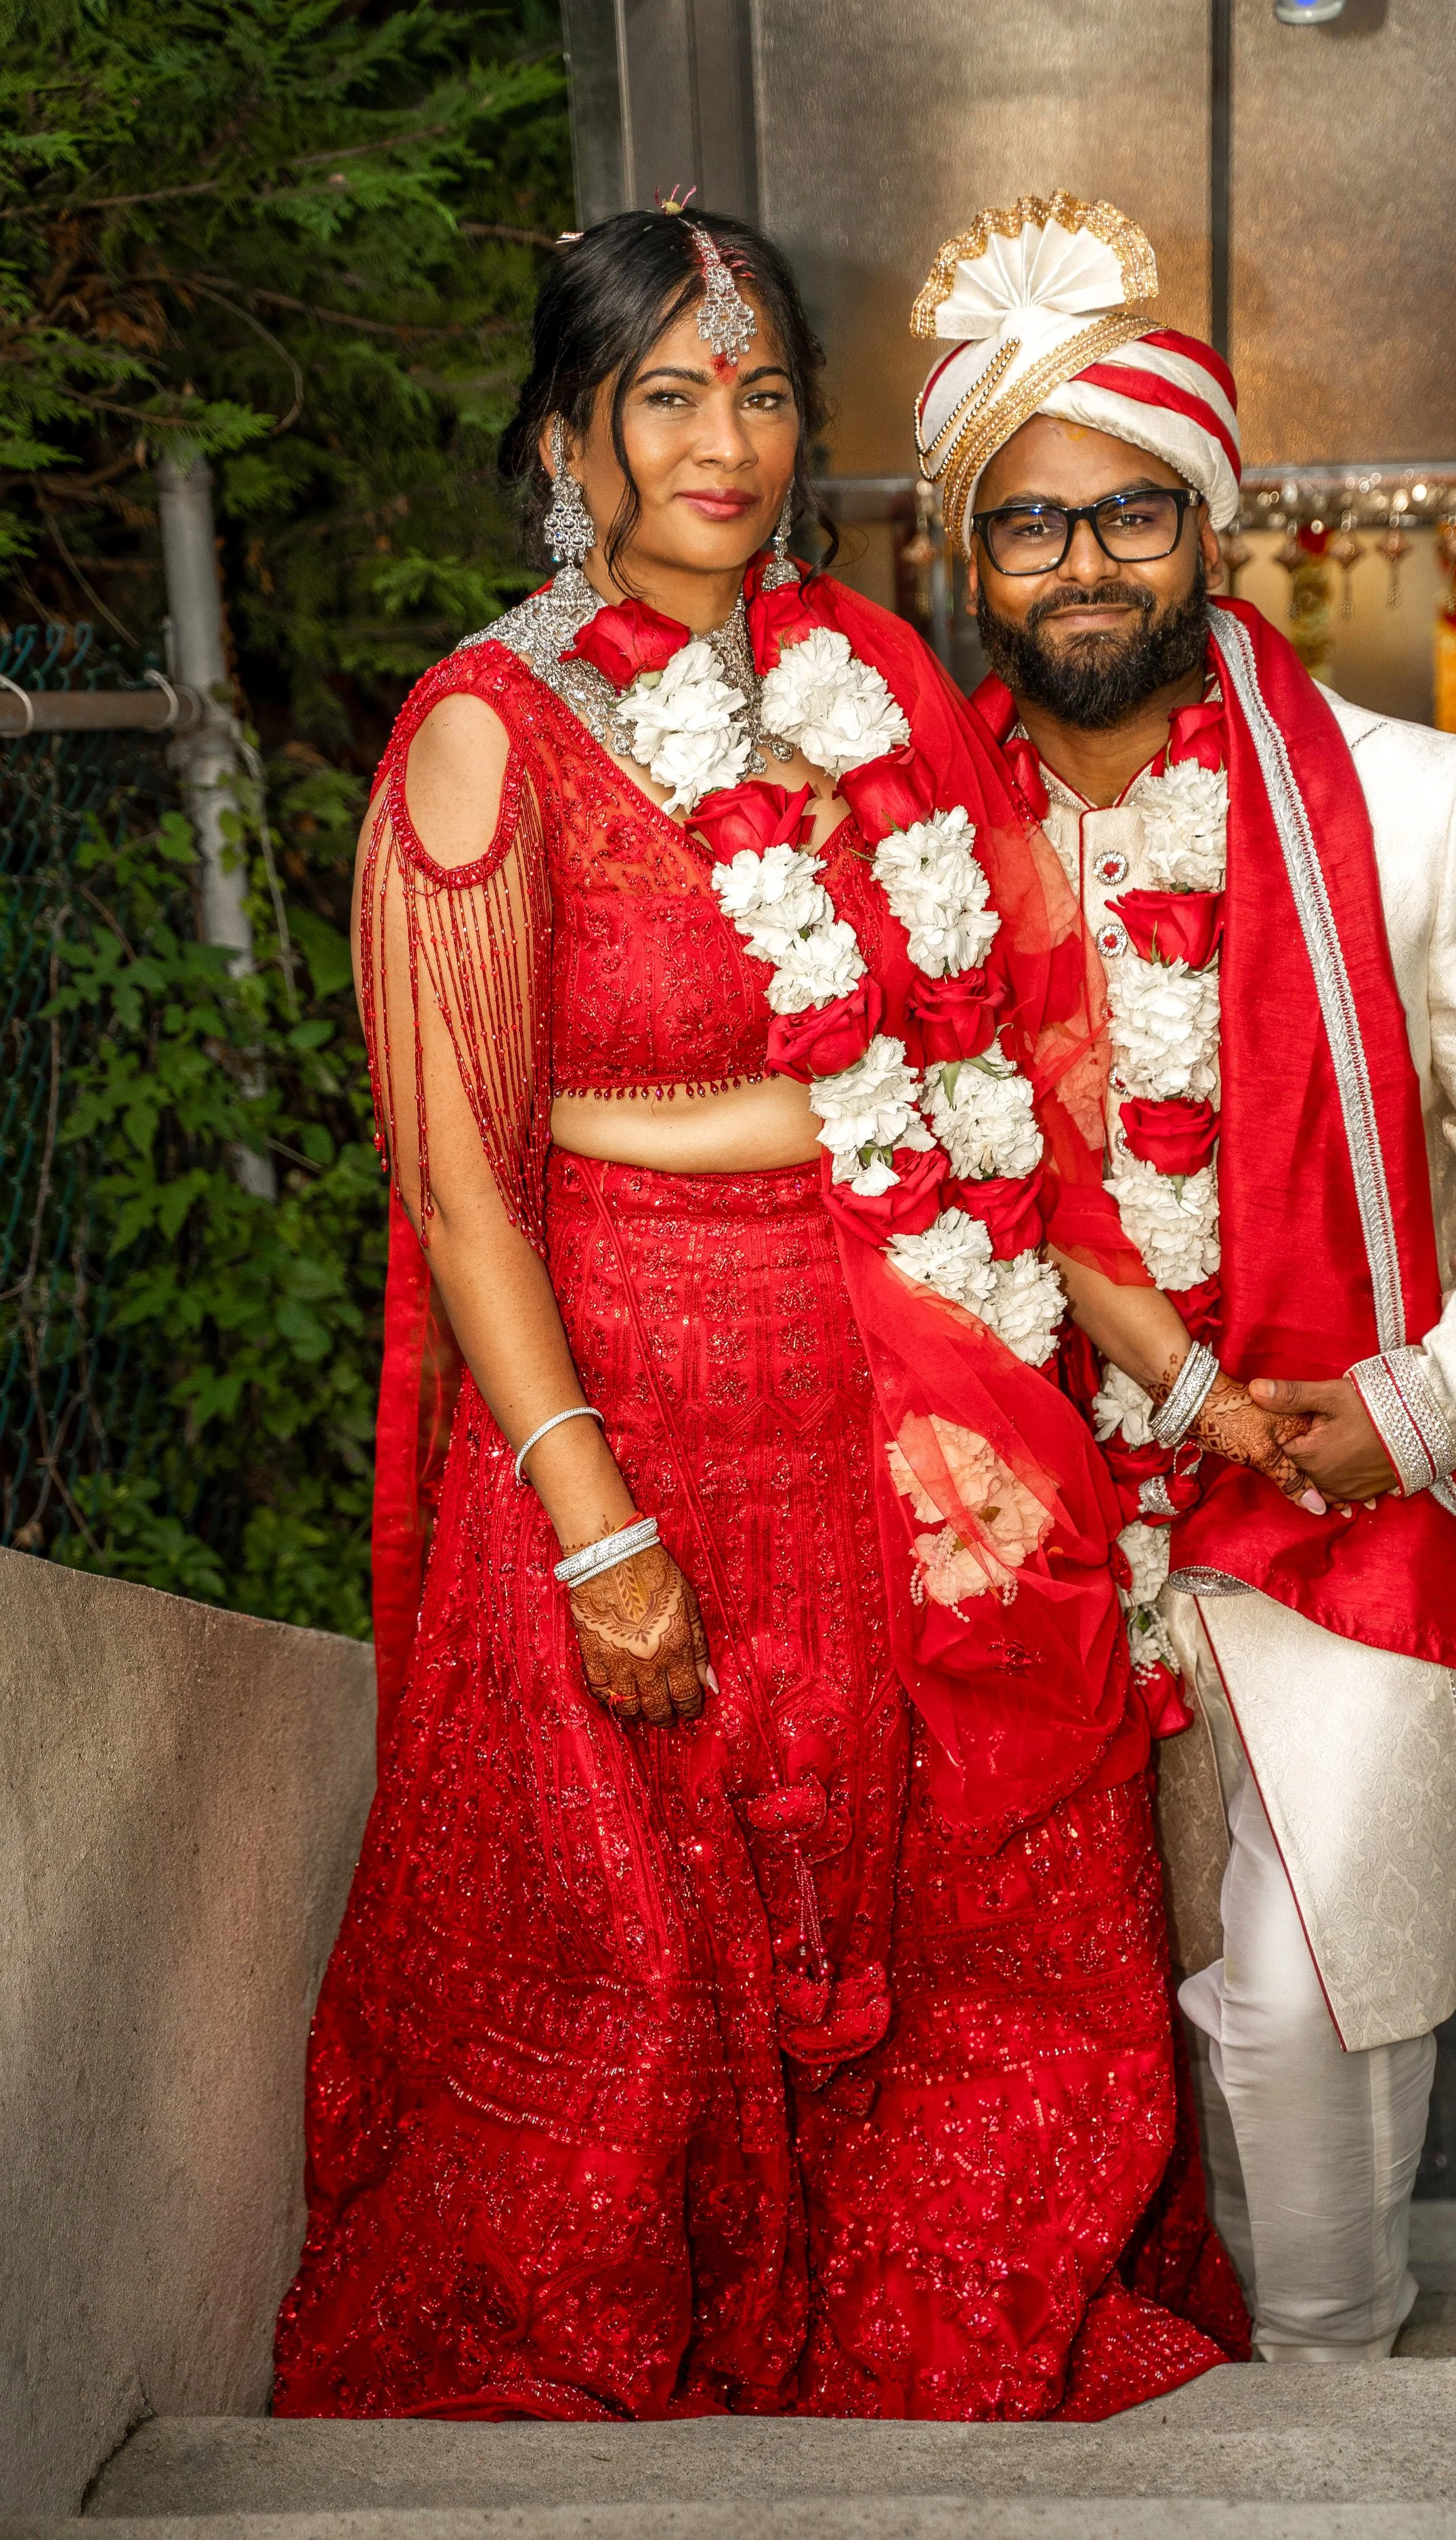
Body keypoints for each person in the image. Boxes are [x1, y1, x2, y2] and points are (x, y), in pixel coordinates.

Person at [271, 205, 1254, 2422]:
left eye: (764, 390)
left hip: (886, 1383)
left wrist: (1116, 1348)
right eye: (670, 393)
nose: (728, 436)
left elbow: (988, 1061)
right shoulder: (486, 730)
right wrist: (591, 1524)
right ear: (566, 440)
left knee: (943, 1894)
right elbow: (456, 1174)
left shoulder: (871, 679)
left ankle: (900, 2305)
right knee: (644, 1943)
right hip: (634, 1388)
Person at [911, 192, 1456, 2361]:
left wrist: (1414, 1401)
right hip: (1031, 1514)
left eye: (1128, 514)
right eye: (1027, 528)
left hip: (1351, 1500)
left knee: (1301, 2011)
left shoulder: (1425, 807)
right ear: (971, 560)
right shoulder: (912, 843)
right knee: (1076, 2020)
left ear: (1207, 528)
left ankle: (1327, 2391)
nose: (1081, 569)